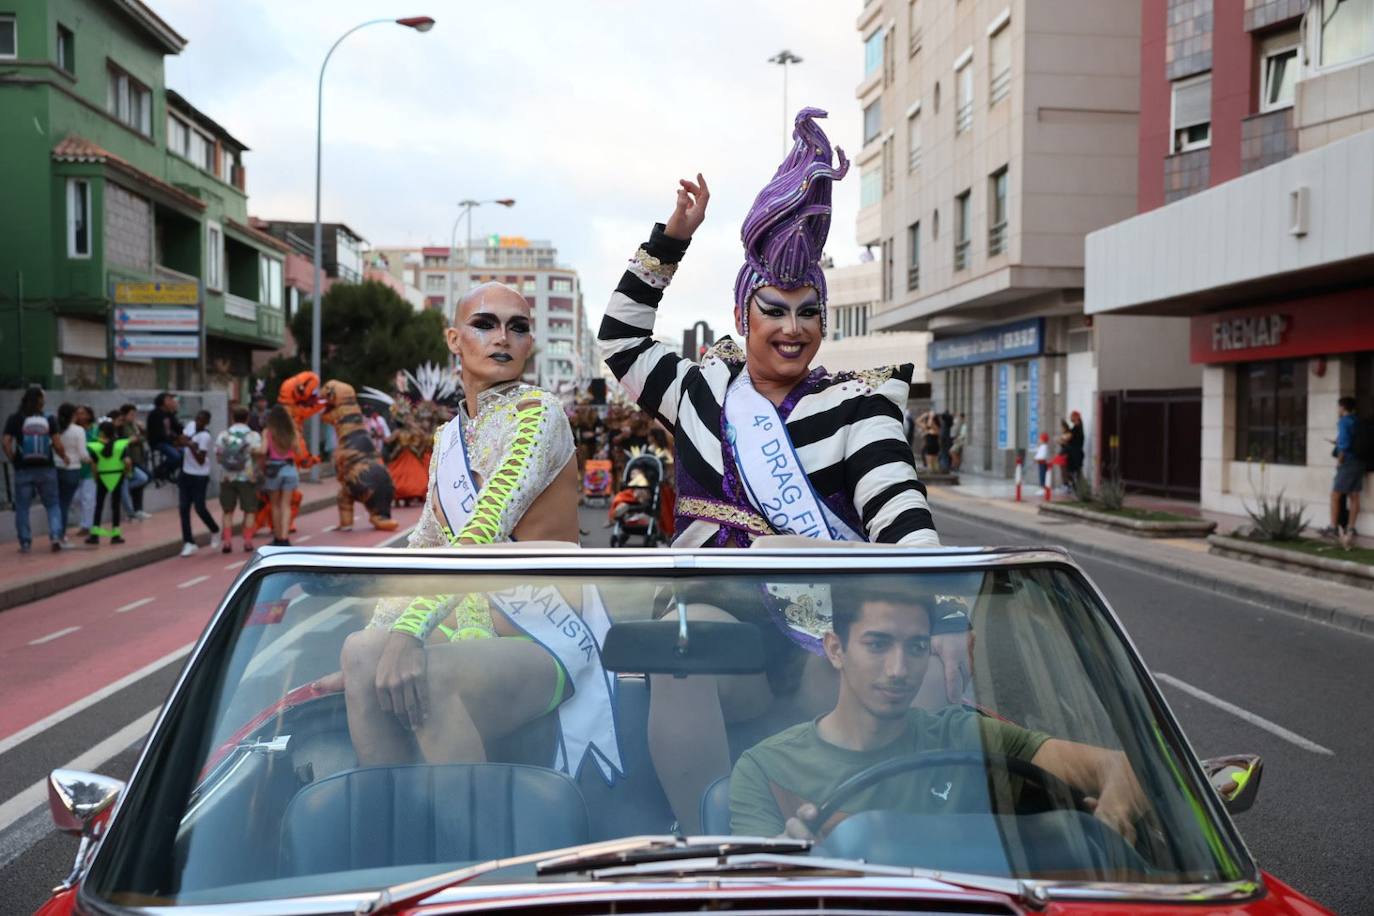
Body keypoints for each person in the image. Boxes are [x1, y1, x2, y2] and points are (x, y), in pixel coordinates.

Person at [598, 107, 945, 831]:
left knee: (886, 682)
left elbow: (903, 518)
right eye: (775, 309)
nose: (793, 327)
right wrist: (672, 240)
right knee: (680, 649)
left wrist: (938, 600)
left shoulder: (859, 408)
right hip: (718, 618)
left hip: (822, 627)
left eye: (808, 311)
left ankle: (850, 850)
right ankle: (710, 846)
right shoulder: (699, 390)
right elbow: (622, 341)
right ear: (743, 312)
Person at [340, 281, 582, 769]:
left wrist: (407, 635)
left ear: (529, 344)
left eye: (518, 328)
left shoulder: (539, 414)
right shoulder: (450, 435)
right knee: (358, 653)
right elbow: (426, 543)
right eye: (485, 324)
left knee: (425, 675)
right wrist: (381, 641)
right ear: (454, 340)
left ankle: (469, 840)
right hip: (461, 629)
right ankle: (389, 825)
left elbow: (484, 527)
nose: (503, 338)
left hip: (541, 634)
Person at [729, 584, 1148, 842]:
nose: (899, 670)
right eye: (877, 644)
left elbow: (1122, 768)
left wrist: (1111, 820)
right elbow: (755, 898)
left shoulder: (963, 736)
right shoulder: (765, 768)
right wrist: (791, 862)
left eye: (915, 647)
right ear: (836, 649)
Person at [2, 386, 67, 553]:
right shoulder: (49, 419)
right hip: (46, 468)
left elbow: (6, 442)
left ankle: (25, 542)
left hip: (23, 469)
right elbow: (57, 444)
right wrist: (64, 456)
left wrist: (14, 459)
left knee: (22, 507)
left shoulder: (15, 418)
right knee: (52, 504)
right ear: (40, 400)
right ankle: (55, 536)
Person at [215, 405, 261, 554]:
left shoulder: (223, 435)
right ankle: (247, 541)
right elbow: (257, 456)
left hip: (227, 477)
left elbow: (218, 457)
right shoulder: (253, 436)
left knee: (227, 510)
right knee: (249, 510)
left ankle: (227, 542)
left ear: (233, 418)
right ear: (247, 418)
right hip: (247, 477)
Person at [178, 409, 220, 557]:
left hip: (200, 476)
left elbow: (201, 460)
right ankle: (188, 542)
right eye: (197, 419)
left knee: (200, 507)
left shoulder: (205, 436)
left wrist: (189, 444)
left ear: (207, 422)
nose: (198, 422)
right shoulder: (190, 426)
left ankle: (215, 530)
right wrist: (186, 442)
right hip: (185, 473)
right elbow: (180, 440)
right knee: (183, 508)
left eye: (202, 420)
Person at [1324, 396, 1366, 546]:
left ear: (1342, 407)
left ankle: (1333, 527)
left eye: (1339, 407)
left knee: (1335, 495)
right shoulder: (1357, 420)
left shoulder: (1344, 421)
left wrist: (1339, 461)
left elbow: (1345, 445)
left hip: (1348, 462)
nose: (1338, 410)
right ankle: (1351, 528)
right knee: (1354, 495)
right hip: (1360, 462)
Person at [259, 404, 301, 547]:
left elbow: (263, 451)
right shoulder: (291, 431)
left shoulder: (268, 432)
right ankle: (285, 537)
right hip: (289, 468)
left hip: (273, 470)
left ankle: (277, 537)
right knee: (286, 505)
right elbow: (298, 450)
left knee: (275, 505)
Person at [85, 420, 132, 545]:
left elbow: (93, 465)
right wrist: (127, 473)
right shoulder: (120, 445)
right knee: (115, 506)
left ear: (102, 432)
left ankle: (94, 536)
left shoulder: (96, 446)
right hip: (117, 477)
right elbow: (127, 462)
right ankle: (115, 536)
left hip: (102, 478)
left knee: (99, 506)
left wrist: (95, 477)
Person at [54, 402, 88, 538]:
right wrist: (91, 460)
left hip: (55, 468)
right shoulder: (78, 430)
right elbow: (83, 454)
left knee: (55, 503)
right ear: (73, 415)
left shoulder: (56, 429)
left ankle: (56, 532)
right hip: (72, 469)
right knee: (65, 503)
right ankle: (60, 534)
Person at [112, 404, 151, 520]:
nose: (134, 417)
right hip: (129, 459)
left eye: (134, 414)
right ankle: (133, 512)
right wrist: (133, 439)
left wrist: (141, 433)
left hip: (137, 457)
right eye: (131, 414)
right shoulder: (122, 427)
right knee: (144, 478)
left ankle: (137, 509)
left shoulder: (134, 425)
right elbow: (127, 441)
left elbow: (142, 438)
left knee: (142, 480)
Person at [145, 392, 184, 483]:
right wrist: (174, 443)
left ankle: (168, 472)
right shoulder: (155, 414)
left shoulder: (169, 414)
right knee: (176, 456)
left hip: (168, 442)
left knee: (185, 454)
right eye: (169, 400)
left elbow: (178, 428)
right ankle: (159, 472)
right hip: (158, 442)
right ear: (163, 402)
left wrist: (174, 412)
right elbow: (159, 434)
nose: (172, 402)